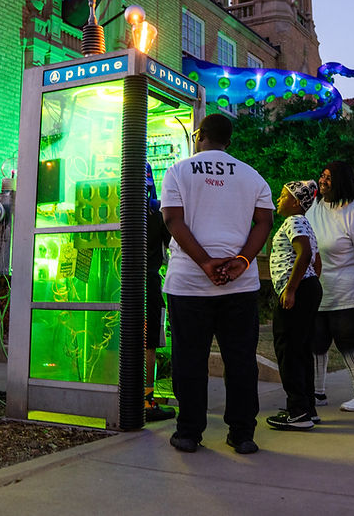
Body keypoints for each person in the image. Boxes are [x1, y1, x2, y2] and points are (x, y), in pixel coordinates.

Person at [160, 114, 273, 454]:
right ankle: (242, 434)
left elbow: (172, 220)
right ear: (230, 142)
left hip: (188, 283)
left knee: (189, 359)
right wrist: (241, 261)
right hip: (239, 286)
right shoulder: (252, 176)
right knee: (240, 360)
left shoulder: (178, 171)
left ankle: (188, 431)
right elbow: (264, 222)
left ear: (201, 136)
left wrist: (205, 263)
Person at [306, 161, 354, 412]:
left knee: (349, 339)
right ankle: (316, 393)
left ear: (342, 182)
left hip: (351, 288)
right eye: (322, 176)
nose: (323, 180)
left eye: (329, 177)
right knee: (316, 341)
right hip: (320, 288)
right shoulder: (314, 209)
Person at [265, 180, 323, 431]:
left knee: (288, 349)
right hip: (307, 288)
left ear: (296, 202)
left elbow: (307, 254)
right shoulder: (305, 224)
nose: (278, 200)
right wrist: (308, 285)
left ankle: (298, 412)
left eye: (283, 196)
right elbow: (316, 261)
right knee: (301, 350)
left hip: (297, 291)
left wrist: (291, 289)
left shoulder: (294, 221)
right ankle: (307, 408)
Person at [144, 163, 175, 422]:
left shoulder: (114, 208)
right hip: (149, 283)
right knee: (149, 342)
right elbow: (174, 246)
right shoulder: (157, 210)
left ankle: (131, 394)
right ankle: (146, 399)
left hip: (114, 285)